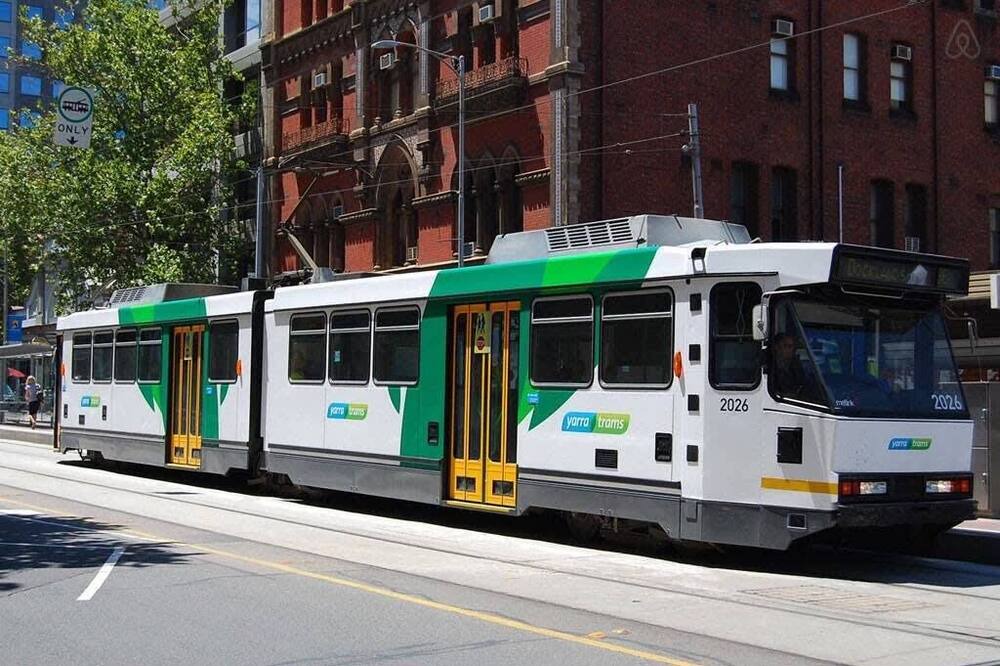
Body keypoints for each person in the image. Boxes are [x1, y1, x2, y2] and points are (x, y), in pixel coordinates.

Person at [771, 333, 809, 400]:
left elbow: (802, 382)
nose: (789, 350)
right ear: (777, 347)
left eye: (791, 346)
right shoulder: (771, 366)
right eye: (785, 346)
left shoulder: (795, 364)